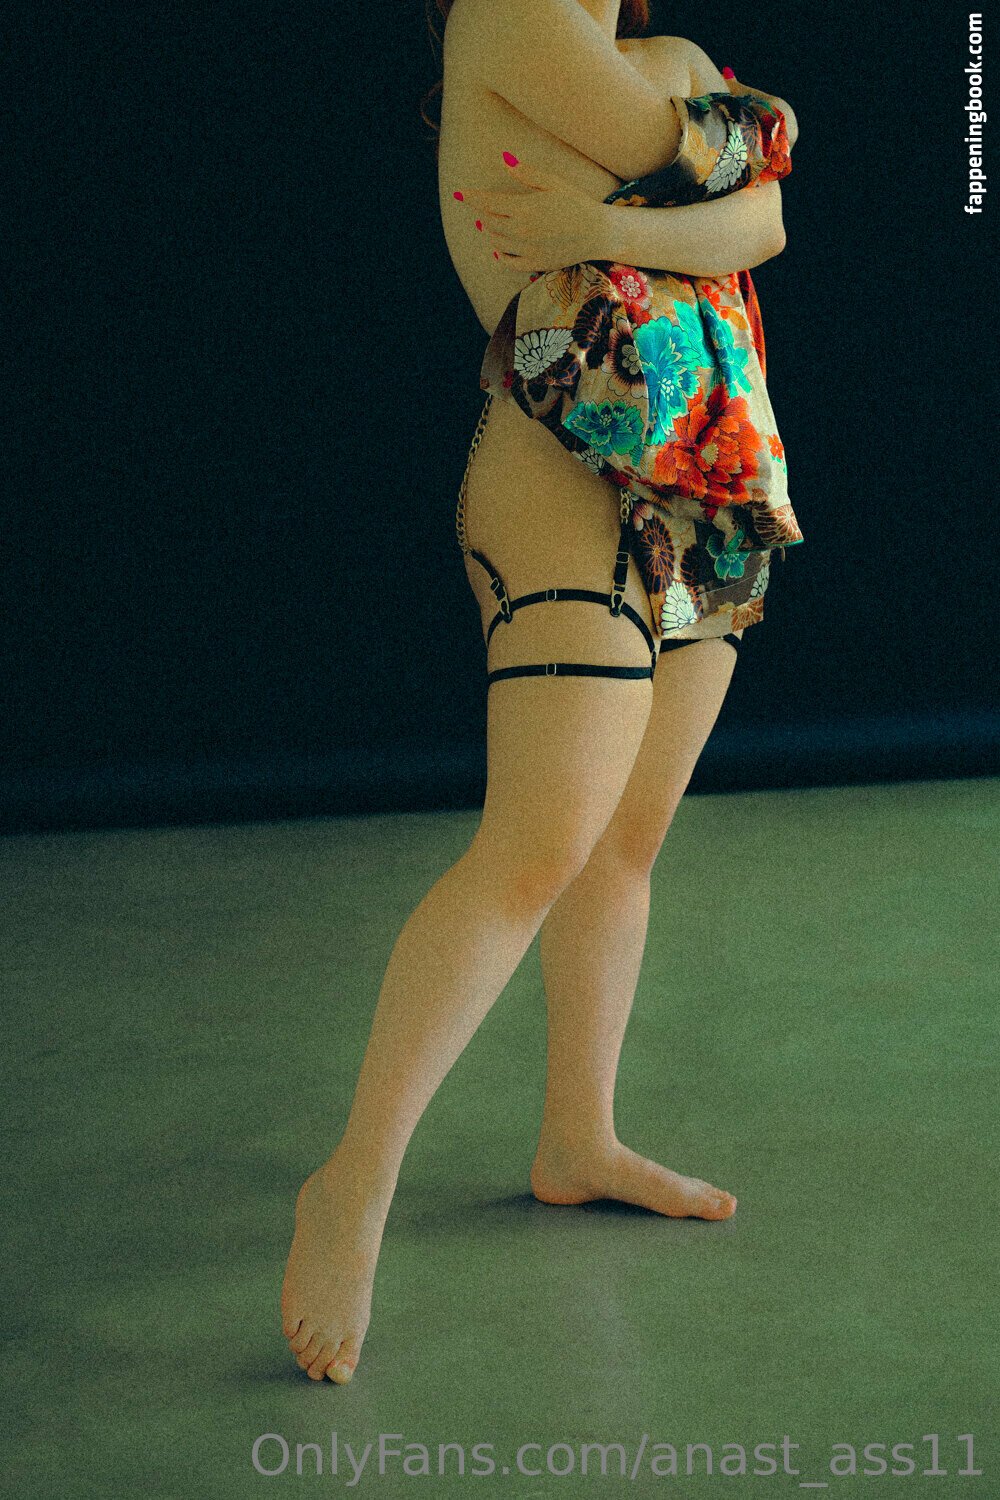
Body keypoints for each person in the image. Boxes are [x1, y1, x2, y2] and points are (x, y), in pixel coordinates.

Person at [282, 0, 801, 1385]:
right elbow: (698, 149)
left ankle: (579, 1135)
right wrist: (712, 153)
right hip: (566, 458)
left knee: (624, 845)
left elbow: (765, 215)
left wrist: (611, 225)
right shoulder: (506, 17)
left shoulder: (667, 59)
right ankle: (353, 1180)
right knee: (538, 845)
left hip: (706, 478)